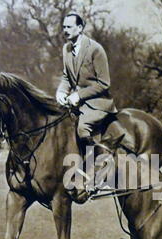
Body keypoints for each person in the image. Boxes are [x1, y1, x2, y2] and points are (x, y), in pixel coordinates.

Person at [56, 12, 118, 147]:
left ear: (79, 28)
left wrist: (79, 95)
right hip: (75, 103)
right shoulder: (66, 48)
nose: (65, 31)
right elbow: (67, 76)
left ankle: (92, 165)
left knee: (82, 128)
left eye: (69, 27)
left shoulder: (95, 49)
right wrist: (61, 91)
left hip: (98, 103)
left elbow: (104, 83)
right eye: (64, 27)